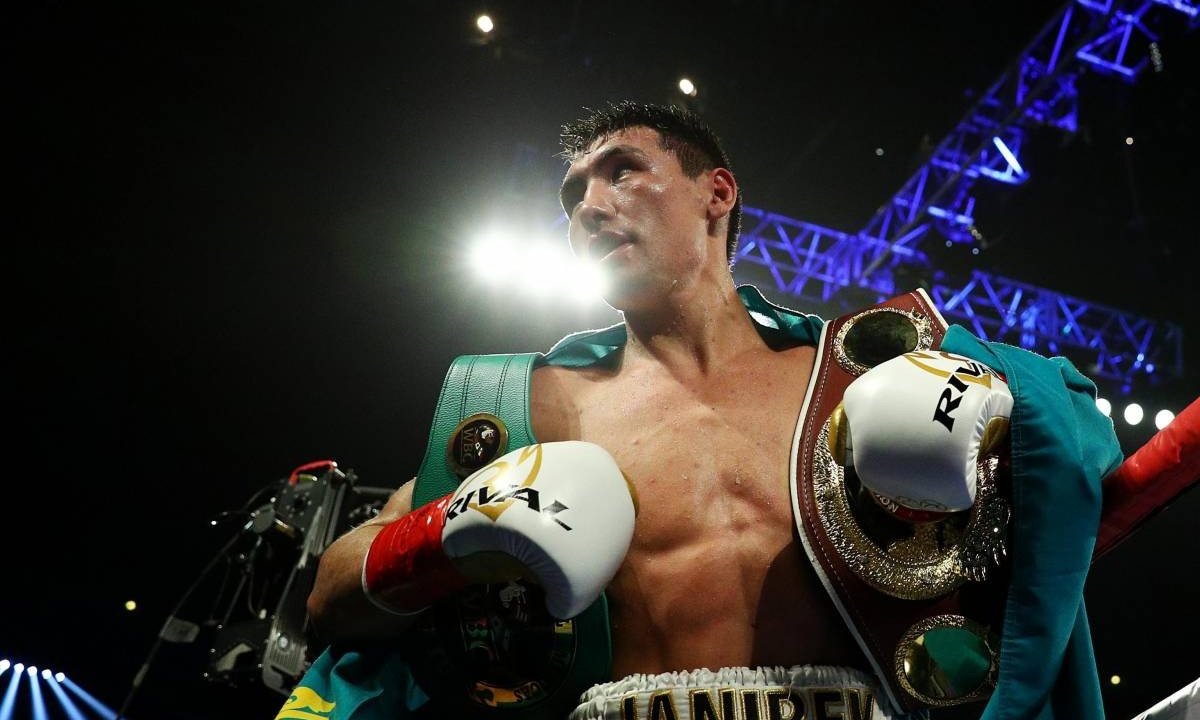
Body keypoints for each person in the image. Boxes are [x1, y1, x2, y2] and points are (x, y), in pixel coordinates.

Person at [288, 102, 1123, 720]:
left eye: (622, 171)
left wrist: (994, 408)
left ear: (716, 193)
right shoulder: (540, 402)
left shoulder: (853, 376)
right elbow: (330, 598)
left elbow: (1082, 446)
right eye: (572, 196)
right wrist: (443, 535)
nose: (587, 207)